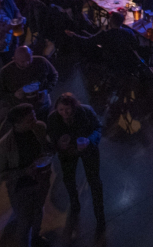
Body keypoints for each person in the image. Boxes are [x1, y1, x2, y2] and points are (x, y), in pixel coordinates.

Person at [0, 104, 53, 247]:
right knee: (24, 221)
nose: (35, 121)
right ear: (17, 124)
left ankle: (36, 237)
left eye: (34, 117)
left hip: (42, 180)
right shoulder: (3, 147)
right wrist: (24, 172)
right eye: (29, 120)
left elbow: (45, 145)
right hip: (21, 189)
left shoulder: (39, 127)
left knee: (38, 211)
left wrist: (51, 150)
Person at [47, 92, 106, 227]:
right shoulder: (53, 118)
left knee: (94, 180)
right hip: (67, 153)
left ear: (74, 107)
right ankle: (74, 203)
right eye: (61, 110)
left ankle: (99, 212)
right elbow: (50, 135)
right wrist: (58, 143)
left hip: (88, 150)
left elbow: (98, 127)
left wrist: (89, 141)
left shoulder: (86, 111)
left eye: (67, 109)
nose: (64, 113)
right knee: (68, 178)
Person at [0, 46, 59, 115]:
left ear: (32, 54)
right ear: (14, 59)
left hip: (42, 106)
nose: (27, 63)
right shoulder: (6, 72)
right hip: (20, 110)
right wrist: (13, 96)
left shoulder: (41, 61)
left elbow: (54, 74)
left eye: (29, 59)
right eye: (22, 62)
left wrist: (47, 90)